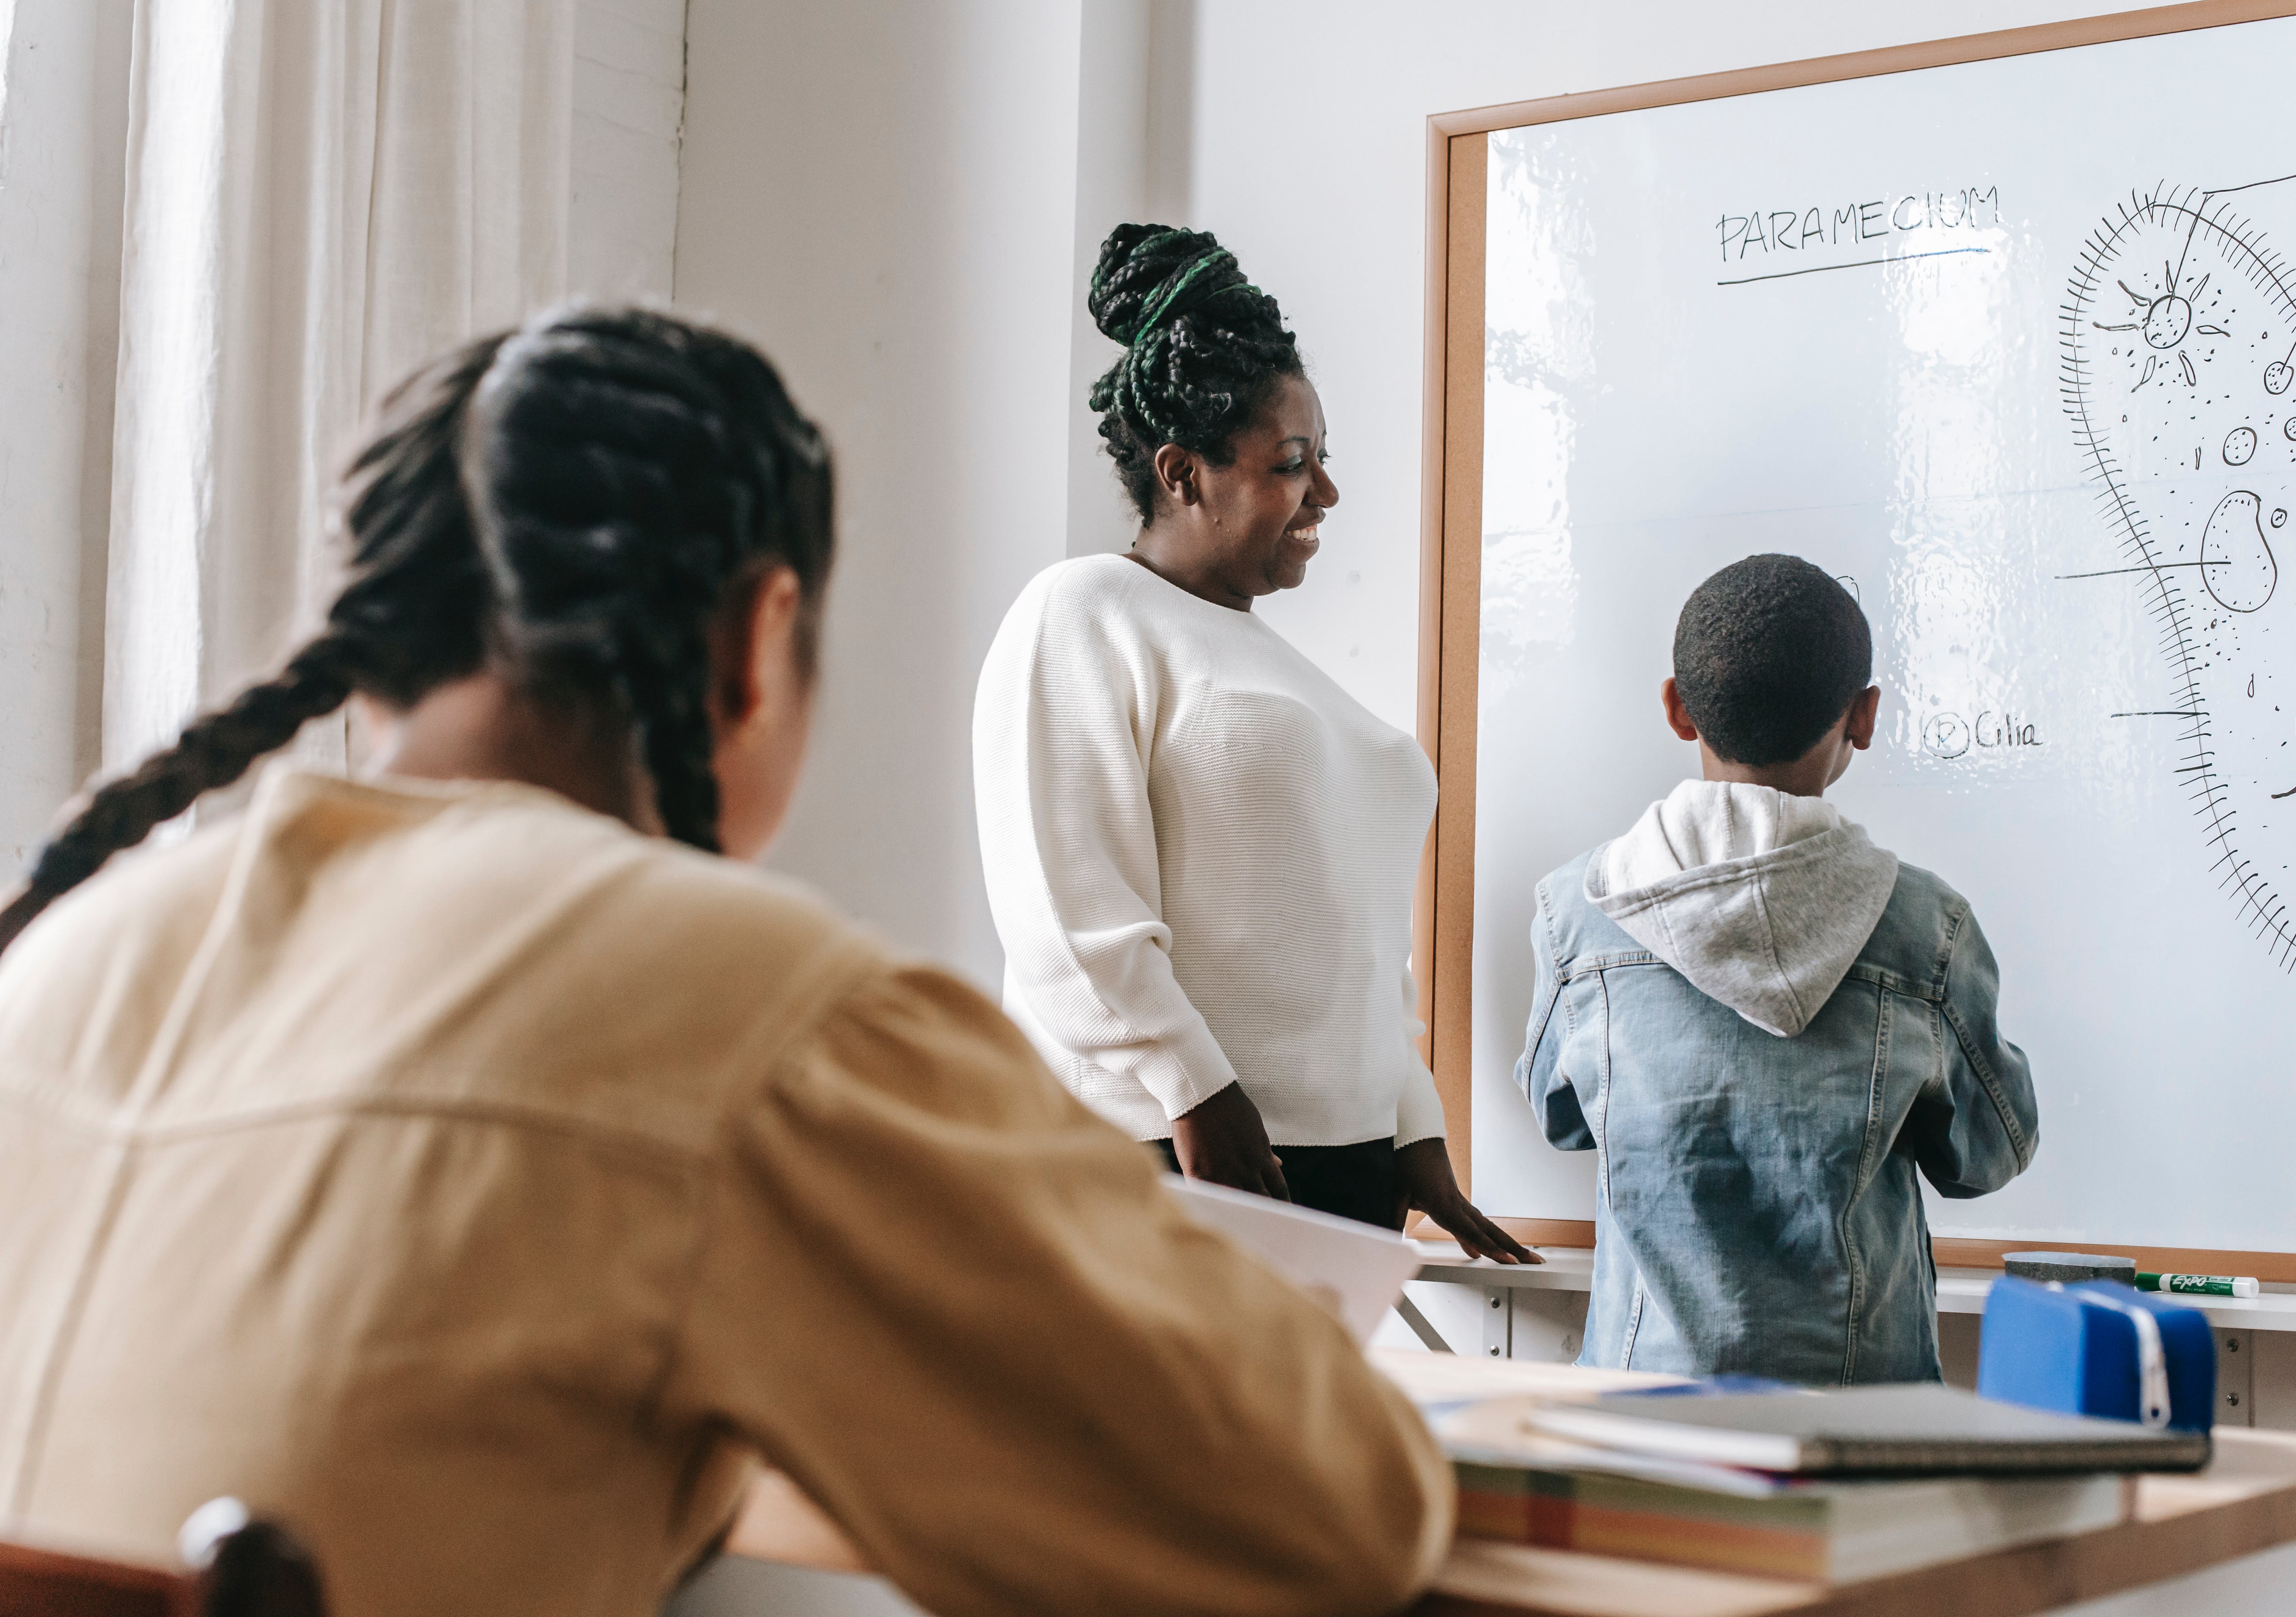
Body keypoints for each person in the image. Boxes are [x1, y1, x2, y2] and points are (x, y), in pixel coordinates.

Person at [0, 308, 1452, 1617]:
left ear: (371, 655)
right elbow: (1331, 1515)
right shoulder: (757, 1015)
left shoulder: (63, 964)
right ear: (760, 641)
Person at [973, 224, 1535, 1264]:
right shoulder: (1082, 612)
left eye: (1323, 460)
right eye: (1292, 463)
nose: (1326, 494)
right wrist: (1194, 1084)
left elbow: (1358, 932)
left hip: (1340, 1163)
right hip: (1179, 1148)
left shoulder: (1267, 658)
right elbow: (1068, 907)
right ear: (1183, 472)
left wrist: (1412, 1120)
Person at [1516, 554, 2038, 1383]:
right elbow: (1987, 1155)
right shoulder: (1925, 932)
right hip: (1866, 1416)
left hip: (1641, 1410)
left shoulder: (1579, 914)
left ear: (1678, 708)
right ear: (1863, 717)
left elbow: (1565, 1119)